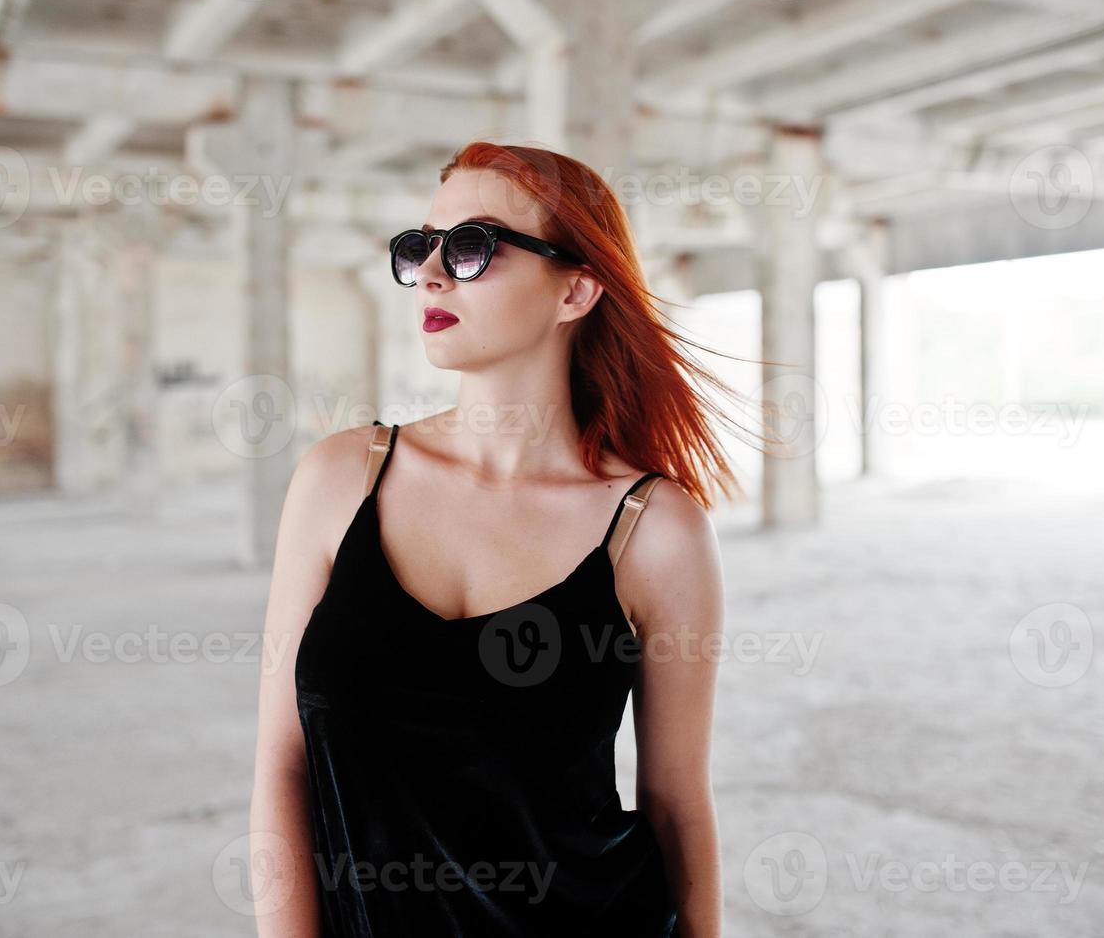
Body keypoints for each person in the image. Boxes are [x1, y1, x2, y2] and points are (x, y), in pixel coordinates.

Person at [251, 141, 748, 937]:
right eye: (420, 248)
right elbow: (282, 764)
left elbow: (676, 803)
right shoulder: (339, 480)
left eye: (474, 247)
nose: (433, 274)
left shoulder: (654, 528)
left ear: (576, 290)